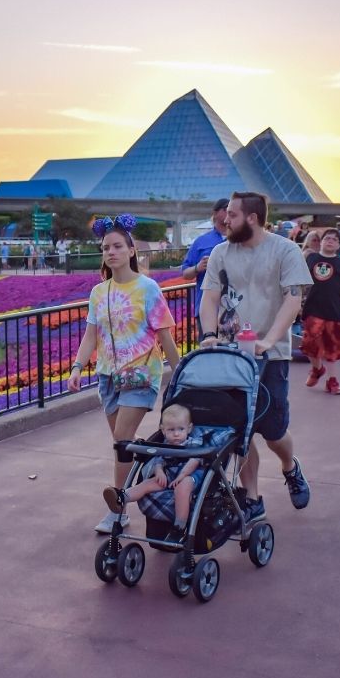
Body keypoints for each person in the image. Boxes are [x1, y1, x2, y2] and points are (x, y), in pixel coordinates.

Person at [199, 191, 313, 522]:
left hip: (270, 355)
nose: (225, 219)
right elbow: (210, 298)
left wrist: (269, 340)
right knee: (240, 430)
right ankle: (252, 498)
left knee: (273, 430)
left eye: (232, 215)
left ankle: (290, 467)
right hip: (230, 354)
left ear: (251, 218)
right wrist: (209, 336)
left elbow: (293, 301)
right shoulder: (221, 252)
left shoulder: (285, 250)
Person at [67, 213, 180, 533]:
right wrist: (77, 367)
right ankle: (152, 462)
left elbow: (165, 335)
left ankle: (119, 508)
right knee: (124, 443)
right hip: (108, 376)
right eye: (105, 248)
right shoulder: (98, 293)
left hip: (142, 373)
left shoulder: (148, 288)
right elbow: (91, 334)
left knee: (121, 442)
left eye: (117, 246)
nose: (111, 252)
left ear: (131, 251)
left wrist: (180, 373)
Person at [102, 403, 202, 545]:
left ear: (189, 428)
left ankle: (179, 527)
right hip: (169, 476)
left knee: (183, 487)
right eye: (171, 430)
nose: (176, 434)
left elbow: (195, 461)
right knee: (148, 483)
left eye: (181, 429)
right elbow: (158, 460)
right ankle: (121, 498)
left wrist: (181, 476)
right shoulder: (165, 442)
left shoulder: (193, 442)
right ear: (163, 430)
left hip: (190, 476)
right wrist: (159, 471)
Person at [300, 228, 340, 395]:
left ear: (338, 245)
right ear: (320, 241)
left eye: (334, 240)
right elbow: (300, 281)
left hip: (335, 311)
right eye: (327, 238)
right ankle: (317, 369)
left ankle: (332, 380)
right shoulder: (311, 258)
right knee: (309, 344)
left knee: (332, 349)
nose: (330, 241)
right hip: (313, 309)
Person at [181, 198, 228, 340]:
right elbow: (185, 273)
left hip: (236, 308)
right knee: (210, 354)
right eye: (226, 209)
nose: (229, 214)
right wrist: (198, 267)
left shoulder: (241, 242)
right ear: (215, 213)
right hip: (208, 309)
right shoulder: (201, 241)